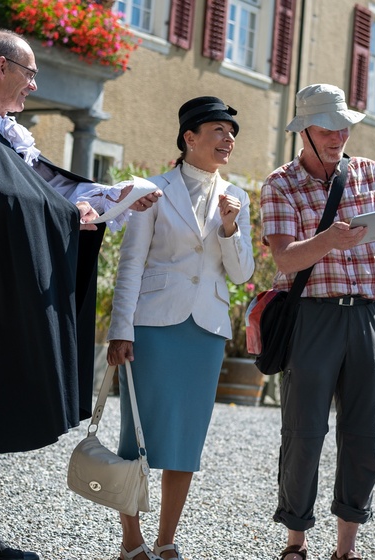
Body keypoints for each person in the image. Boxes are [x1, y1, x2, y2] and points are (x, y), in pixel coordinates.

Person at [0, 30, 158, 560]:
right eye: (29, 72)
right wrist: (72, 217)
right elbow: (0, 200)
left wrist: (105, 200)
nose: (34, 84)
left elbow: (40, 186)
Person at [260, 83, 375, 560]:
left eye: (343, 126)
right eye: (327, 127)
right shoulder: (279, 184)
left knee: (364, 436)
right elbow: (284, 260)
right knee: (303, 433)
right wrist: (329, 241)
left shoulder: (369, 172)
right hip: (312, 318)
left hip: (368, 315)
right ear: (303, 131)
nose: (338, 136)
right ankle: (295, 543)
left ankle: (346, 549)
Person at [105, 96, 256, 560]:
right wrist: (119, 329)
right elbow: (131, 263)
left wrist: (230, 229)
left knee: (187, 438)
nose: (228, 139)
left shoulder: (238, 198)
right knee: (138, 435)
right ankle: (132, 541)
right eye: (218, 130)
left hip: (206, 332)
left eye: (232, 133)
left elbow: (242, 273)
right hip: (152, 326)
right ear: (189, 137)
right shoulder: (152, 189)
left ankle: (166, 541)